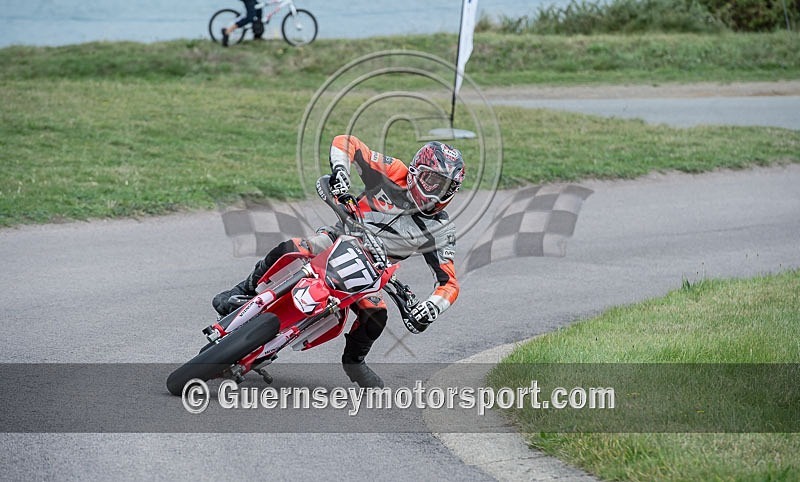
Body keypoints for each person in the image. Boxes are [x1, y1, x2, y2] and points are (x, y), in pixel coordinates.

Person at [212, 135, 465, 387]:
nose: (436, 192)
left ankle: (355, 362)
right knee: (292, 248)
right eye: (431, 180)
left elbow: (449, 284)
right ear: (414, 171)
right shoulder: (392, 170)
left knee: (377, 315)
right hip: (338, 237)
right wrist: (341, 171)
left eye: (445, 186)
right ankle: (243, 290)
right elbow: (346, 141)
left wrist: (432, 306)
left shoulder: (441, 230)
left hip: (372, 272)